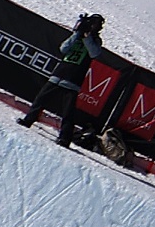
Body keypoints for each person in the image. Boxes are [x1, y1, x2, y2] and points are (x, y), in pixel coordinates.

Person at [19, 12, 104, 147]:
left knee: (68, 112)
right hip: (59, 74)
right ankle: (28, 120)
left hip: (73, 79)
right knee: (40, 100)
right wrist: (77, 33)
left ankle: (65, 138)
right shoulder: (77, 36)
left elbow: (94, 53)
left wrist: (87, 37)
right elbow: (63, 48)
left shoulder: (96, 40)